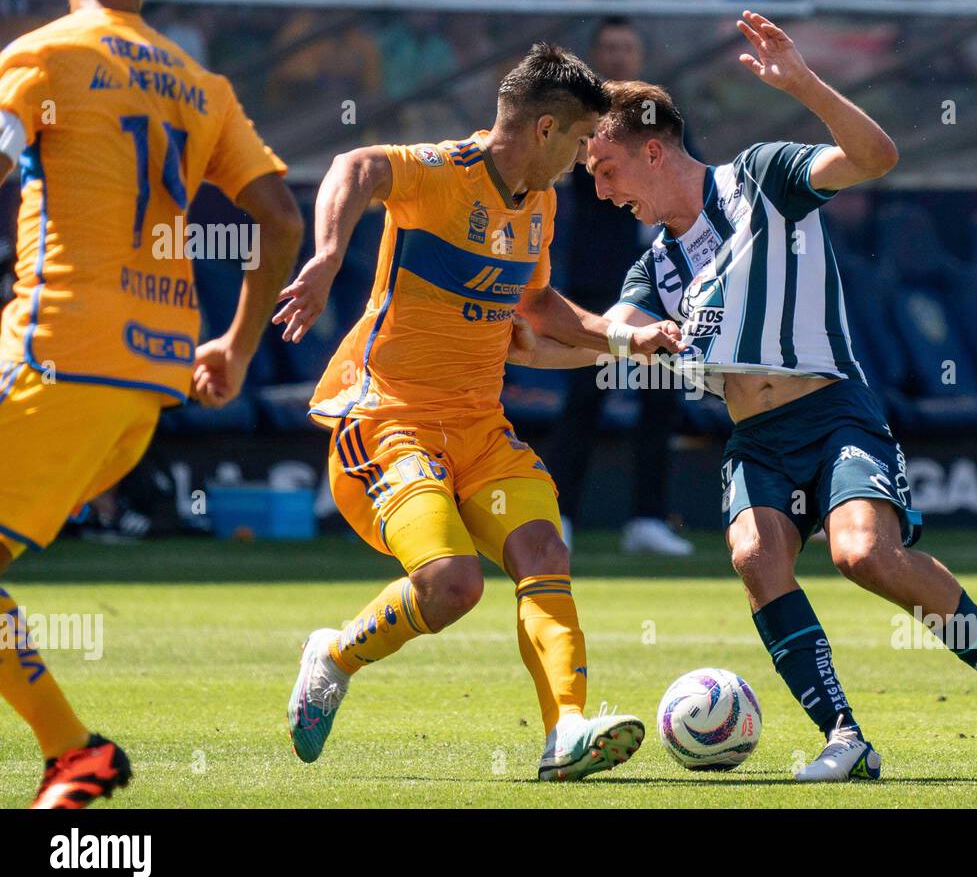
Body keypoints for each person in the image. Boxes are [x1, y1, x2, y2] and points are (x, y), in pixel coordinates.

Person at [511, 11, 977, 782]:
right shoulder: (655, 270)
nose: (601, 187)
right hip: (754, 439)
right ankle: (844, 738)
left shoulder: (762, 177)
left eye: (607, 167)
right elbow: (587, 340)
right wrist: (492, 341)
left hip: (835, 411)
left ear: (652, 150)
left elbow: (875, 157)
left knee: (864, 556)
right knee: (753, 554)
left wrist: (804, 84)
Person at [273, 44, 680, 781]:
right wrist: (329, 255)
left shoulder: (542, 204)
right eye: (583, 139)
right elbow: (353, 167)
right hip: (388, 418)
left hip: (481, 431)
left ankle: (566, 735)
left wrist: (625, 338)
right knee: (453, 586)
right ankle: (334, 656)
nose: (587, 158)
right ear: (546, 129)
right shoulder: (441, 172)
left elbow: (538, 307)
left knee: (545, 553)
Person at [0, 0, 301, 807]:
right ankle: (68, 753)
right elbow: (277, 219)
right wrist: (239, 348)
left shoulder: (46, 52)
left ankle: (73, 752)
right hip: (153, 377)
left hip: (55, 352)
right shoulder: (199, 84)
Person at [547, 18, 693, 556]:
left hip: (662, 274)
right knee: (586, 393)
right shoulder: (577, 121)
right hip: (599, 274)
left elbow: (685, 178)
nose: (618, 56)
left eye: (626, 47)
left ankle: (648, 520)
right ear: (594, 56)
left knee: (662, 396)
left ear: (639, 54)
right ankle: (559, 514)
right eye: (609, 48)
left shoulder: (662, 116)